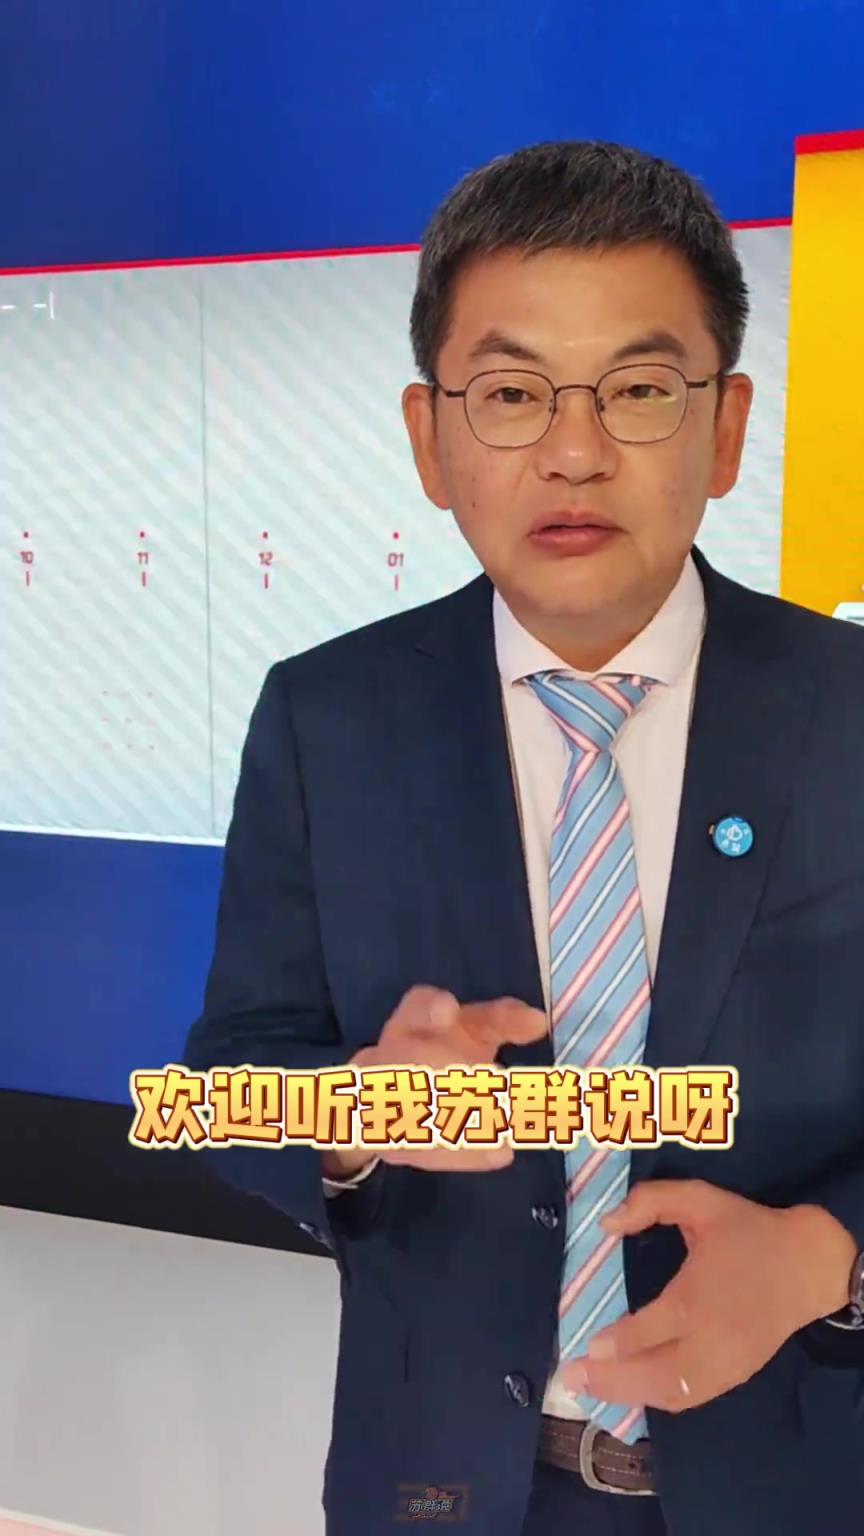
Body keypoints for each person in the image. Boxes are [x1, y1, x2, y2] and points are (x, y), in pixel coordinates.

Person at [183, 141, 864, 1536]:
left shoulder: (851, 713)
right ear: (431, 440)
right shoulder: (327, 719)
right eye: (509, 394)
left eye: (639, 388)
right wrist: (354, 1113)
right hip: (442, 1490)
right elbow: (234, 1072)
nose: (574, 449)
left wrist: (830, 1258)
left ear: (727, 428)